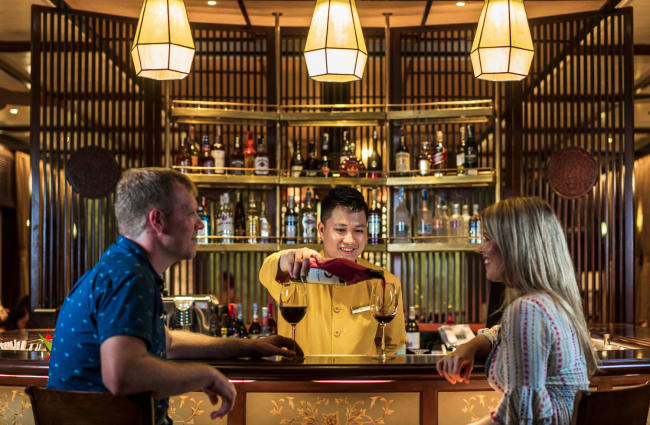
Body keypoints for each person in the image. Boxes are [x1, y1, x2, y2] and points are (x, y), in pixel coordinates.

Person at [48, 168, 302, 425]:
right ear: (157, 220)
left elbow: (167, 344)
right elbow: (122, 374)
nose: (200, 223)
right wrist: (205, 376)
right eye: (191, 212)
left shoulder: (122, 266)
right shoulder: (130, 275)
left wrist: (248, 346)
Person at [436, 197, 599, 425]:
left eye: (488, 239)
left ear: (516, 245)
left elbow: (522, 417)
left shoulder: (527, 309)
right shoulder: (554, 304)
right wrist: (471, 346)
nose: (480, 248)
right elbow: (501, 333)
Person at [259, 186, 406, 356]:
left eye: (358, 230)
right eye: (340, 230)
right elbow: (266, 271)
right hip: (302, 380)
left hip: (359, 381)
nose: (350, 240)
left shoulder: (383, 281)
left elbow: (392, 345)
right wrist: (286, 259)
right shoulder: (297, 271)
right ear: (321, 230)